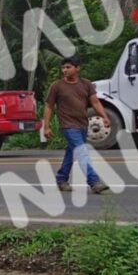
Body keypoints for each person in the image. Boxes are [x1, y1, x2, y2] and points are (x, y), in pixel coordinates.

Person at [42, 55, 110, 194]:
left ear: (77, 68)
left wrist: (104, 116)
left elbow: (95, 102)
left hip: (82, 124)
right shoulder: (57, 86)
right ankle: (94, 181)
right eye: (63, 67)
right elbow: (49, 106)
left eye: (68, 67)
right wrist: (46, 126)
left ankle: (61, 179)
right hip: (68, 125)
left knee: (71, 152)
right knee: (82, 152)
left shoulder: (86, 84)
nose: (64, 70)